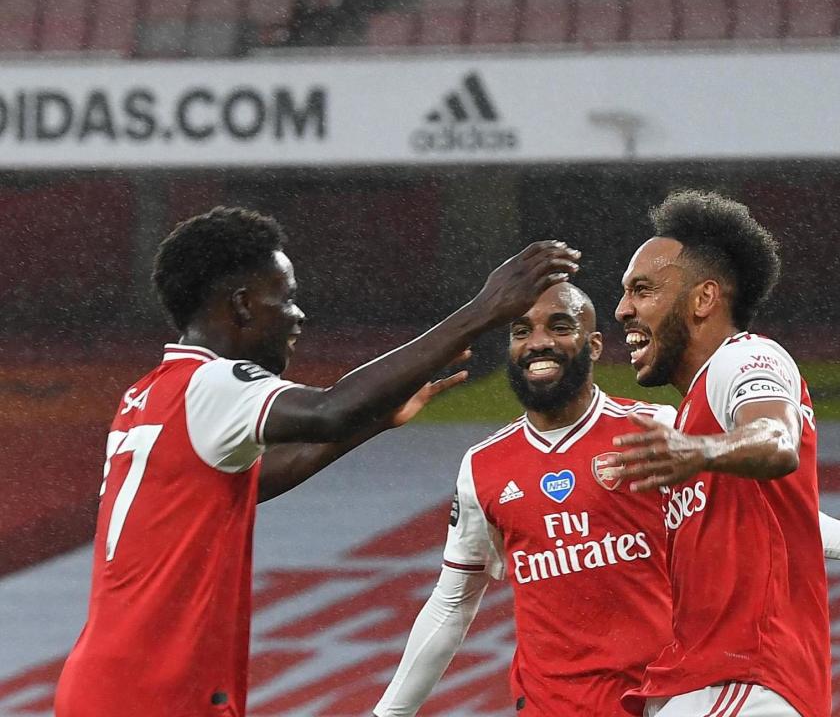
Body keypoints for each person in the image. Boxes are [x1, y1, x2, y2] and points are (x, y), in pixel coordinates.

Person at [53, 206, 581, 717]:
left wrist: (373, 420)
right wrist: (484, 310)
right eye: (285, 298)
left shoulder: (147, 394)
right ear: (240, 306)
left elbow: (258, 477)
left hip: (108, 680)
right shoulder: (212, 383)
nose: (298, 315)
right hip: (159, 689)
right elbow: (330, 408)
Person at [373, 282, 840, 716]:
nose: (538, 342)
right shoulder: (484, 467)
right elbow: (452, 604)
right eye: (522, 331)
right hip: (553, 707)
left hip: (662, 697)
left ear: (594, 344)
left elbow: (745, 512)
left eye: (559, 326)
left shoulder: (657, 430)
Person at [611, 191, 840, 717]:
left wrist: (695, 449)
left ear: (703, 299)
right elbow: (767, 514)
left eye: (643, 290)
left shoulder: (747, 357)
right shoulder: (696, 410)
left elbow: (776, 438)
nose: (623, 309)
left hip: (743, 680)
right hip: (726, 682)